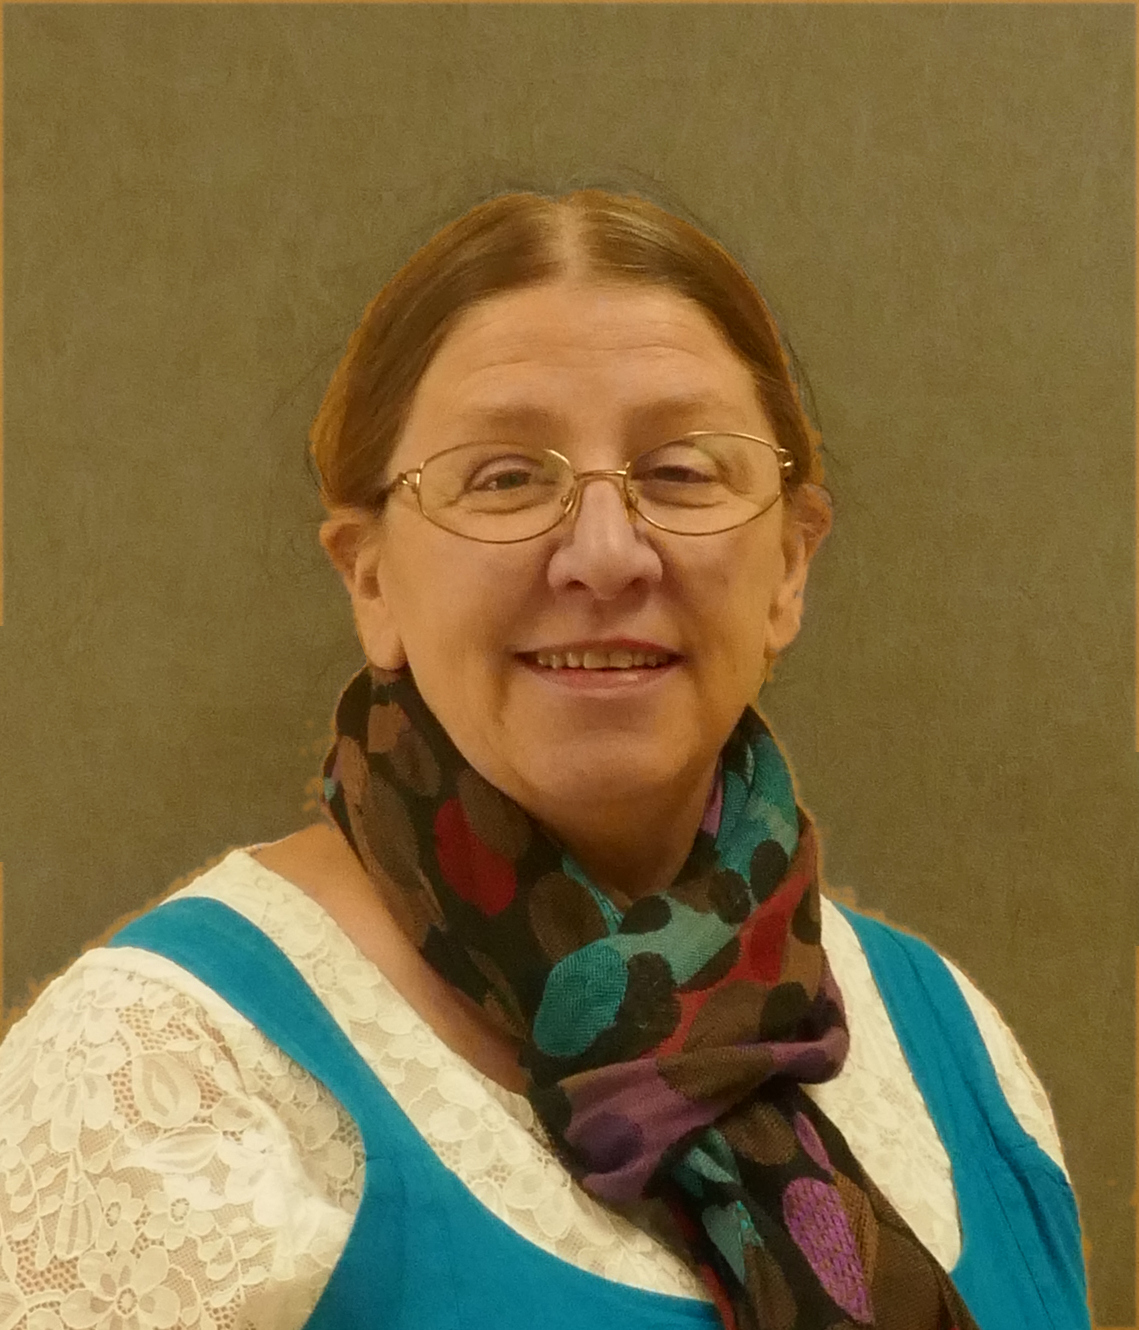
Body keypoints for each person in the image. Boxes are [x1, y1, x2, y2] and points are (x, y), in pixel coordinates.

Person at [0, 190, 1089, 1330]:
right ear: (369, 580)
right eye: (505, 478)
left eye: (681, 471)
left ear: (788, 567)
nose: (606, 556)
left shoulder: (952, 1041)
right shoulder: (164, 1079)